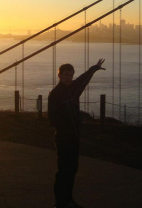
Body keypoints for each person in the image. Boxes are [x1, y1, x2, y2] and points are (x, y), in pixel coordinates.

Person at [48, 58, 106, 208]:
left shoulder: (74, 88)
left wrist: (94, 68)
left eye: (71, 75)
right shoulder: (55, 94)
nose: (68, 77)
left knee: (72, 170)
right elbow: (52, 117)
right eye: (66, 75)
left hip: (74, 138)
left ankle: (68, 199)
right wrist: (65, 129)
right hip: (63, 139)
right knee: (63, 172)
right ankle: (60, 203)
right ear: (59, 76)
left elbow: (83, 79)